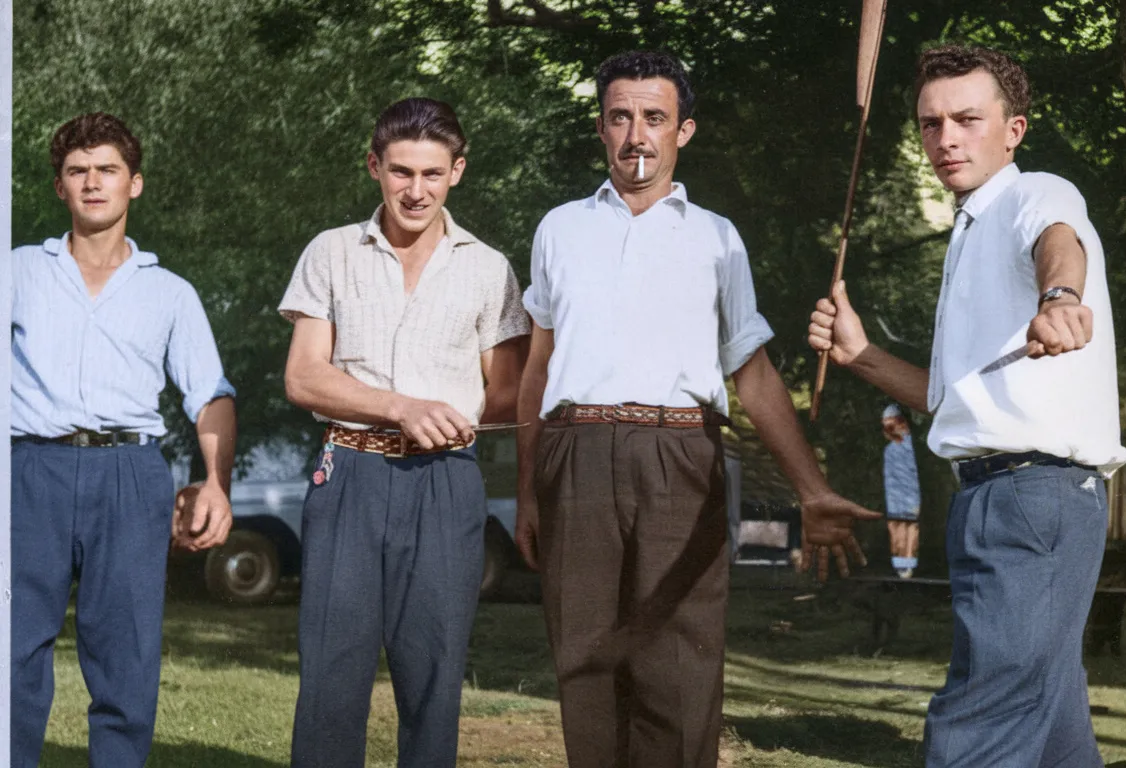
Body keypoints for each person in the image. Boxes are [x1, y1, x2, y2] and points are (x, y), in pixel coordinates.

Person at [512, 50, 879, 768]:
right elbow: (538, 368)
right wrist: (528, 489)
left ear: (683, 131)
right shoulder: (559, 228)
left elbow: (754, 372)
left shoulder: (717, 237)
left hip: (680, 454)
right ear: (601, 127)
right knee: (585, 660)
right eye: (620, 117)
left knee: (678, 664)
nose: (636, 136)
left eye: (654, 118)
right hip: (576, 454)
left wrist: (811, 488)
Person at [808, 45, 1126, 767]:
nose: (946, 139)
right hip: (1002, 495)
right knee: (1051, 729)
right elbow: (948, 401)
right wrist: (860, 354)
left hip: (1031, 495)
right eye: (931, 124)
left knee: (980, 722)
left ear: (1013, 130)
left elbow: (1058, 241)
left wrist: (1060, 298)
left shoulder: (1033, 195)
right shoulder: (972, 229)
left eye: (967, 119)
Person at [278, 97, 530, 767]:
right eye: (401, 172)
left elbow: (507, 395)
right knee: (332, 672)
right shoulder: (332, 251)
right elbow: (304, 377)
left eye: (432, 174)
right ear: (374, 166)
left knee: (433, 675)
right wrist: (400, 407)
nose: (416, 191)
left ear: (458, 172)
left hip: (446, 481)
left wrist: (453, 417)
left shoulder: (489, 268)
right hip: (349, 472)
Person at [10, 112, 237, 767]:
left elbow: (211, 394)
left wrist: (215, 484)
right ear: (60, 186)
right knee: (11, 652)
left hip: (130, 475)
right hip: (30, 471)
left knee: (126, 656)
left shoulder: (170, 293)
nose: (92, 183)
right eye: (77, 171)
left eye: (107, 170)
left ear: (133, 183)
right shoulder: (17, 271)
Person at [881, 404, 921, 577]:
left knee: (910, 526)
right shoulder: (889, 450)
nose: (889, 429)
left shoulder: (912, 445)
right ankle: (899, 562)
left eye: (892, 424)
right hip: (893, 497)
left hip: (911, 494)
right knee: (896, 527)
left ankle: (909, 562)